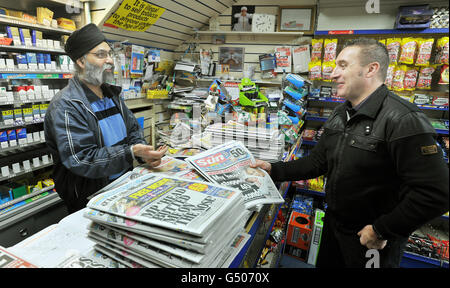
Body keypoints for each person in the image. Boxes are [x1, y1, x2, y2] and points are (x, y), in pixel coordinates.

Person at [251, 38, 449, 268]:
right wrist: (273, 169)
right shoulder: (340, 113)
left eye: (343, 65)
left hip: (370, 240)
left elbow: (437, 193)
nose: (333, 74)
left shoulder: (403, 120)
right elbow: (317, 162)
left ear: (370, 69)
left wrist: (382, 230)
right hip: (334, 227)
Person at [44, 24, 167, 214]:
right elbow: (81, 159)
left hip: (122, 187)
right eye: (101, 55)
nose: (110, 60)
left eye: (110, 54)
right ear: (81, 61)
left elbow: (133, 131)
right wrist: (130, 153)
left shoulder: (112, 95)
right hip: (89, 198)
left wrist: (143, 154)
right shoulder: (67, 105)